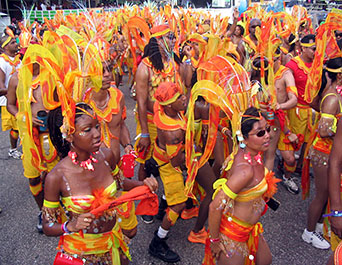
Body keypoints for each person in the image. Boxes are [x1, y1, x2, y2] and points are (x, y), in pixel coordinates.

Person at [42, 103, 158, 264]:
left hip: (113, 243)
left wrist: (143, 184)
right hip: (81, 254)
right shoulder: (56, 177)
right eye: (87, 129)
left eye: (97, 126)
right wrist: (70, 226)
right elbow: (48, 226)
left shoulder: (106, 156)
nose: (97, 134)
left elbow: (120, 183)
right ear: (69, 135)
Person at [203, 107, 279, 265]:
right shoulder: (245, 171)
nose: (267, 136)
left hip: (251, 229)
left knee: (266, 260)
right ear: (243, 139)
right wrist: (215, 241)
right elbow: (215, 206)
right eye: (260, 133)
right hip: (233, 235)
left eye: (267, 129)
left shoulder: (255, 154)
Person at [134, 24, 191, 223]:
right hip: (150, 121)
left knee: (169, 162)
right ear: (157, 41)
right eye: (169, 36)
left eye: (174, 36)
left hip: (171, 122)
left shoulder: (175, 63)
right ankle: (146, 202)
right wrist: (144, 134)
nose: (173, 40)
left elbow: (185, 89)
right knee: (146, 162)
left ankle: (167, 200)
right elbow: (141, 102)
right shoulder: (145, 67)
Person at [302, 58, 342, 250]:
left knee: (325, 193)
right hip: (323, 152)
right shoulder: (333, 98)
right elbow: (324, 130)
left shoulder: (334, 94)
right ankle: (308, 232)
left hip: (328, 151)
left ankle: (318, 226)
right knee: (322, 194)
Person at [286, 34, 315, 174]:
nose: (315, 52)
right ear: (303, 48)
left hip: (312, 111)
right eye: (313, 49)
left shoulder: (318, 64)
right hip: (296, 110)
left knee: (308, 142)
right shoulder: (292, 65)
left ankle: (300, 167)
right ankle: (287, 169)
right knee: (294, 143)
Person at [0, 34, 21, 159]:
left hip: (20, 99)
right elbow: (1, 88)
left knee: (21, 126)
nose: (16, 44)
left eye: (15, 41)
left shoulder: (19, 60)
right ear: (5, 47)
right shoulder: (2, 62)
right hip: (8, 100)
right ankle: (13, 149)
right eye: (12, 42)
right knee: (15, 127)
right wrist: (13, 91)